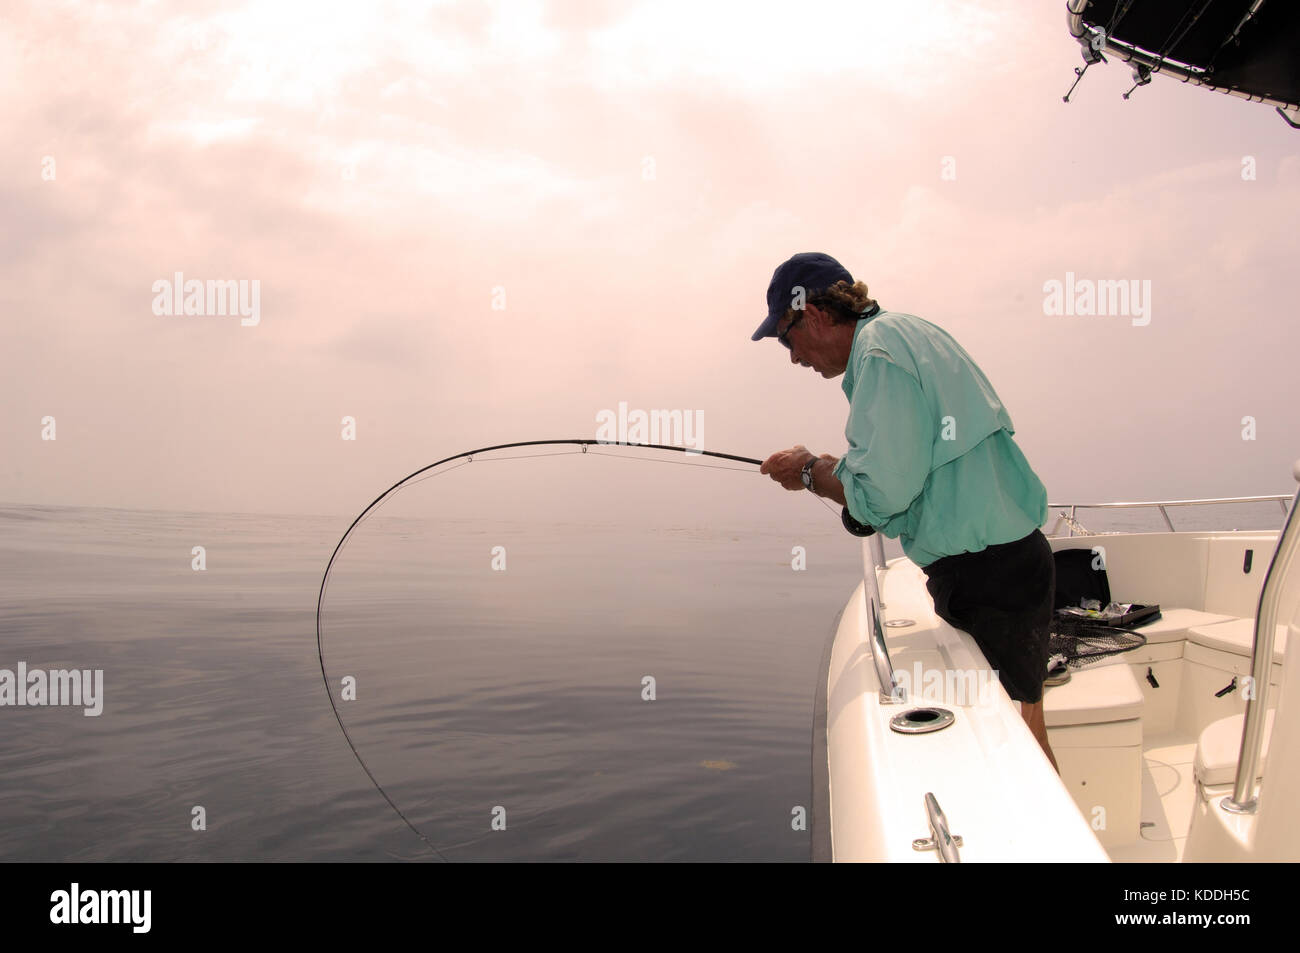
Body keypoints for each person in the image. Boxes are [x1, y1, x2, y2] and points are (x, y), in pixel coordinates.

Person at [752, 252, 1059, 772]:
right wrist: (836, 468)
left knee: (1013, 752)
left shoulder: (879, 356)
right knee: (1026, 723)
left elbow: (884, 496)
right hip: (1015, 562)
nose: (793, 357)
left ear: (817, 315)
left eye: (787, 337)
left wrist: (810, 473)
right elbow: (915, 459)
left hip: (987, 580)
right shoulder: (907, 332)